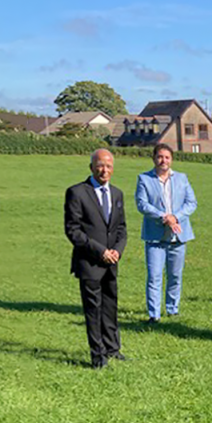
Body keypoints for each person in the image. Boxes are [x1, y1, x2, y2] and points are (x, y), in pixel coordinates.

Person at [64, 149, 128, 369]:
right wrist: (101, 251)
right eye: (100, 165)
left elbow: (121, 228)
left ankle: (113, 349)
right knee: (94, 310)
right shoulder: (77, 192)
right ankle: (97, 356)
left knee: (110, 307)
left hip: (111, 263)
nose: (104, 170)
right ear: (91, 167)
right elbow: (73, 230)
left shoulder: (117, 194)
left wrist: (117, 251)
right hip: (90, 262)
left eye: (109, 166)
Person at [135, 144, 197, 323]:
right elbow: (142, 204)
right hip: (155, 237)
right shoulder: (144, 179)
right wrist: (164, 217)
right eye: (160, 157)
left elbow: (191, 203)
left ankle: (172, 309)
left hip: (178, 236)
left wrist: (175, 217)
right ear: (154, 158)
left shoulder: (182, 178)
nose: (163, 160)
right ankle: (154, 314)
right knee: (154, 276)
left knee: (175, 275)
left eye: (167, 157)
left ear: (172, 159)